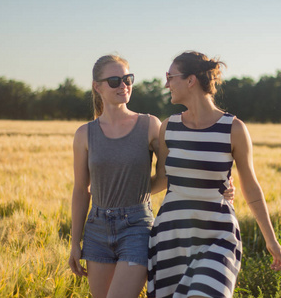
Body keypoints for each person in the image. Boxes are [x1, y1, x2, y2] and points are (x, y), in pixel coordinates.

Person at [68, 54, 235, 298]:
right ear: (97, 86)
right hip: (97, 228)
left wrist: (221, 184)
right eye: (114, 81)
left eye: (128, 78)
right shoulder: (84, 134)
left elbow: (174, 169)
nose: (123, 85)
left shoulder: (150, 125)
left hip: (136, 226)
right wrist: (74, 242)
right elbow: (81, 190)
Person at [148, 51, 281, 298]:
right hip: (172, 237)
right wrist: (114, 188)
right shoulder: (168, 128)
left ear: (191, 80)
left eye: (170, 76)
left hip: (218, 236)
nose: (166, 83)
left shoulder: (233, 129)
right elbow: (161, 180)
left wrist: (271, 240)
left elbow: (252, 188)